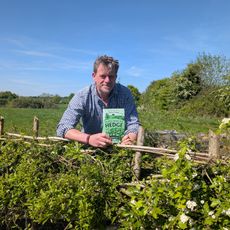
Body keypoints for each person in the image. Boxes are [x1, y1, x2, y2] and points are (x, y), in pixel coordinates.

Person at [56, 55, 140, 148]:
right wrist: (89, 139)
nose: (107, 80)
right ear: (94, 76)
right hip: (89, 149)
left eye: (111, 76)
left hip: (119, 148)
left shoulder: (125, 94)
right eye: (103, 76)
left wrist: (129, 139)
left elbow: (133, 124)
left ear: (116, 77)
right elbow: (63, 127)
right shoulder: (82, 96)